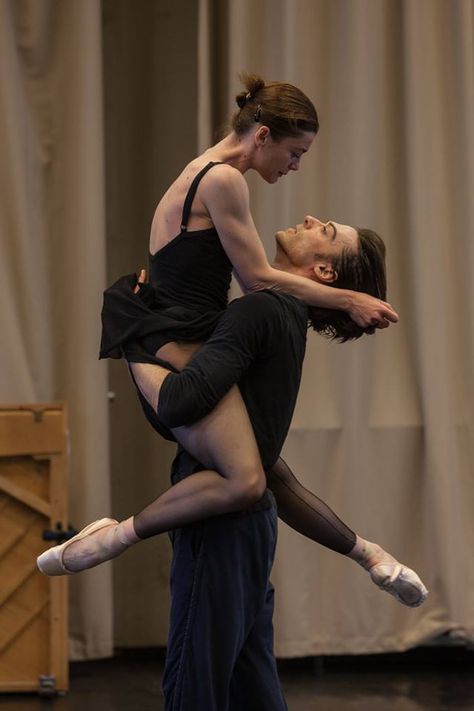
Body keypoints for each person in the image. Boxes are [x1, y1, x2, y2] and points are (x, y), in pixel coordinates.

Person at [38, 215, 426, 710]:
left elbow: (178, 404)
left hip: (216, 523)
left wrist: (130, 331)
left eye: (324, 230)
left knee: (195, 686)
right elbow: (267, 464)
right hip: (252, 525)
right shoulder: (283, 316)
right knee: (252, 689)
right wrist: (366, 553)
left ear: (325, 272)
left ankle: (112, 538)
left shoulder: (261, 309)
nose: (309, 219)